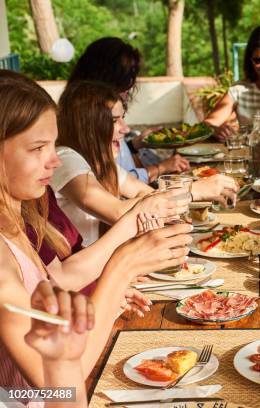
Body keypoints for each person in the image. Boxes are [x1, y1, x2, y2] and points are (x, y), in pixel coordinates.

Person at [0, 73, 193, 397]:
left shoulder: (16, 219)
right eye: (38, 148)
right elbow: (56, 387)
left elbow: (51, 284)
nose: (55, 160)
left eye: (53, 144)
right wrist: (121, 270)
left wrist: (103, 300)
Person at [51, 80, 237, 246]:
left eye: (123, 118)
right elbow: (118, 211)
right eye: (115, 120)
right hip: (87, 277)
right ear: (88, 126)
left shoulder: (101, 162)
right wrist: (193, 191)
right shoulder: (66, 159)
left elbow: (144, 192)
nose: (126, 128)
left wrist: (183, 200)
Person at [68, 37, 190, 183]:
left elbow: (119, 164)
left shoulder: (89, 106)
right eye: (126, 76)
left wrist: (135, 144)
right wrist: (161, 168)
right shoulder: (89, 115)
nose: (130, 85)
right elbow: (116, 182)